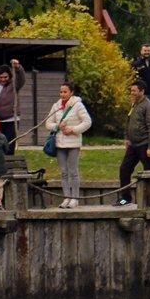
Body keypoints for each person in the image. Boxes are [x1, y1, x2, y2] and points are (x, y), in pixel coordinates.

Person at [45, 81, 92, 209]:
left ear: (71, 92)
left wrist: (73, 129)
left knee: (73, 171)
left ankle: (75, 199)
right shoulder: (56, 106)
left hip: (73, 143)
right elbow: (47, 123)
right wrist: (57, 126)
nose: (62, 94)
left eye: (65, 92)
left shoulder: (78, 105)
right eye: (61, 92)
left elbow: (87, 122)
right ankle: (66, 197)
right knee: (63, 172)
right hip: (60, 143)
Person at [118, 81, 150, 205]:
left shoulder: (148, 106)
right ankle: (125, 198)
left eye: (134, 91)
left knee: (149, 172)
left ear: (142, 91)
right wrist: (127, 137)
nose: (132, 93)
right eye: (131, 91)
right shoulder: (134, 104)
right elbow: (128, 121)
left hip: (144, 144)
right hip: (133, 145)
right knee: (124, 169)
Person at [0, 59, 25, 152]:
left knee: (9, 145)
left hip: (10, 120)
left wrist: (18, 67)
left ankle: (9, 165)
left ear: (9, 76)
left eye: (5, 77)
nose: (3, 79)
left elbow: (21, 78)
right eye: (0, 77)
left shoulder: (14, 85)